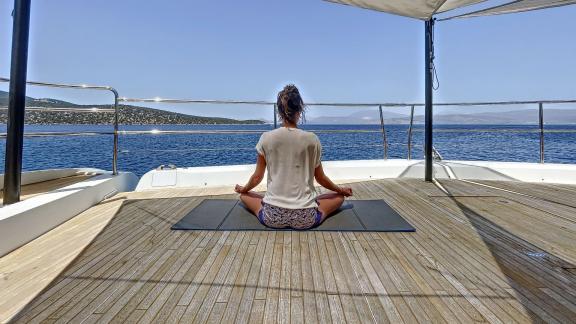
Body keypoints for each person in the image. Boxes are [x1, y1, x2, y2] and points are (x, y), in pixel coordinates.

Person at [235, 84, 352, 230]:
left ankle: (256, 199)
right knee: (338, 198)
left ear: (279, 112)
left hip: (272, 217)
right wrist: (340, 190)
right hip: (305, 218)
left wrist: (243, 189)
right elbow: (320, 178)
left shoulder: (266, 138)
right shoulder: (312, 139)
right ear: (300, 110)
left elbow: (256, 178)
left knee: (244, 196)